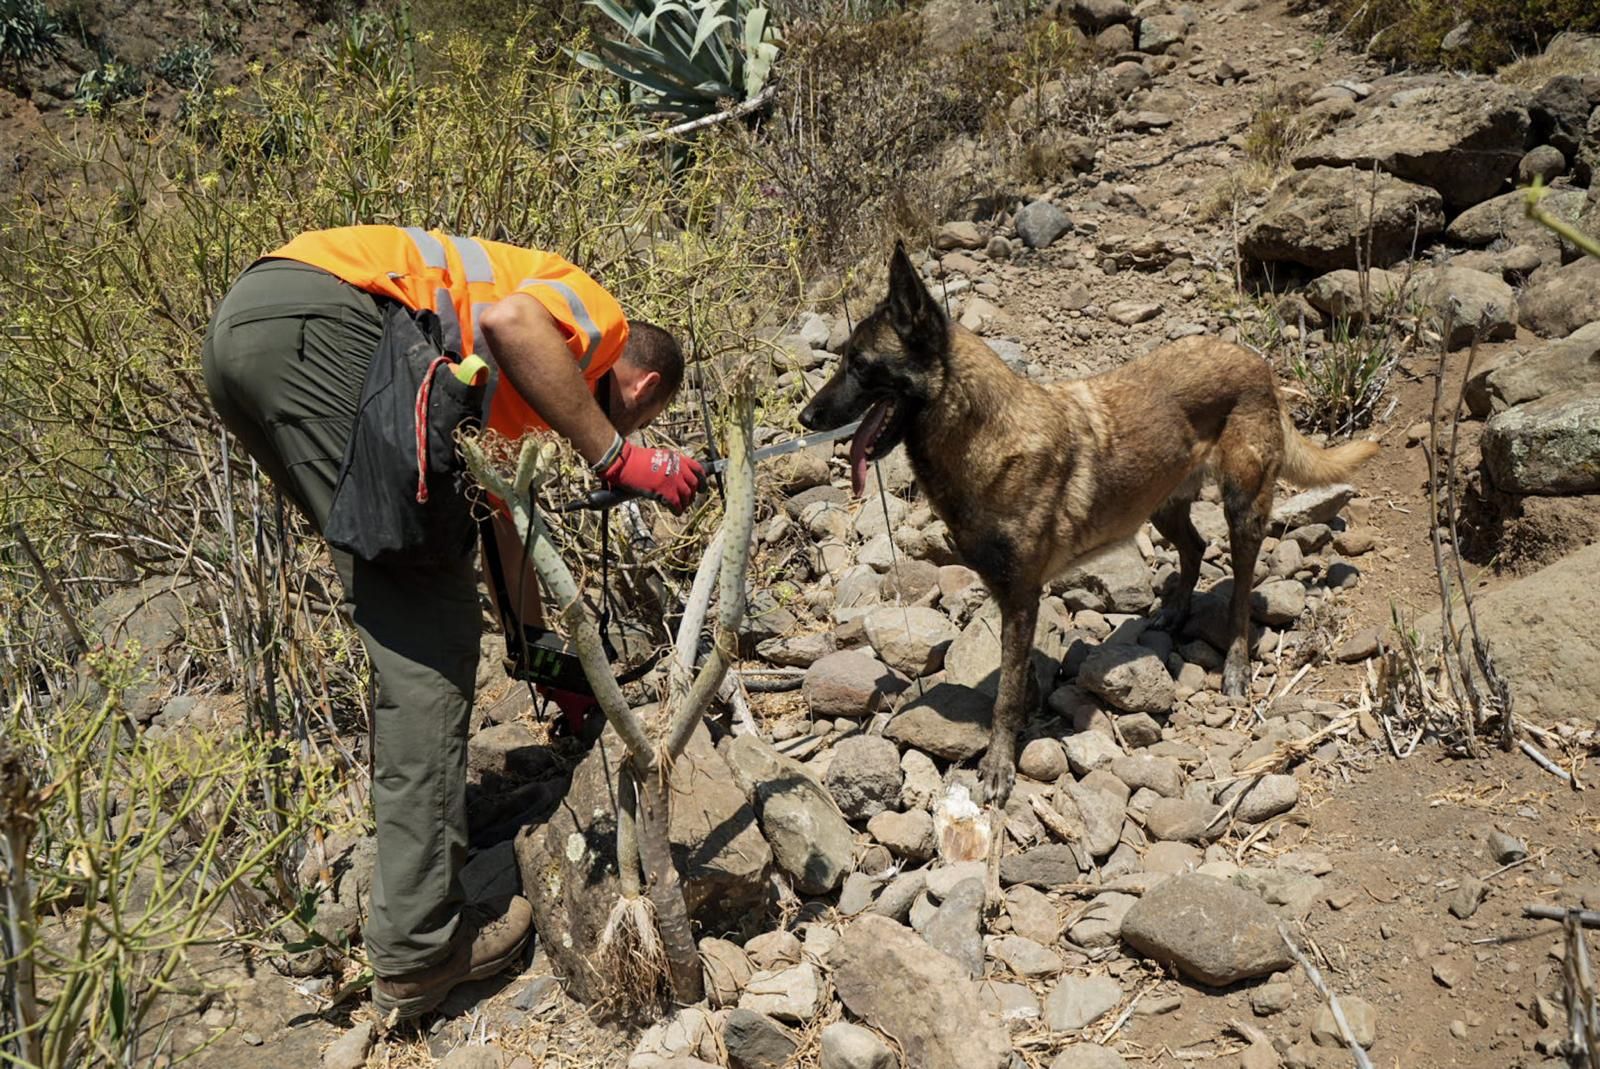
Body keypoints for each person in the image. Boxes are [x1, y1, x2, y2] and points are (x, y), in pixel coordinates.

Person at [201, 225, 704, 1019]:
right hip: (320, 322)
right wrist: (620, 456)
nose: (623, 431)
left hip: (249, 333)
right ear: (640, 390)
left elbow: (500, 536)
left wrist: (554, 672)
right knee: (429, 642)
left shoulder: (508, 415)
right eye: (640, 421)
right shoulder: (595, 319)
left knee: (406, 591)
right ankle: (420, 951)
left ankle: (410, 911)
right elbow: (512, 322)